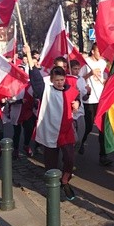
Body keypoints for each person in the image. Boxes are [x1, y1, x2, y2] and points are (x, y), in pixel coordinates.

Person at [35, 66, 81, 201]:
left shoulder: (71, 90)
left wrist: (77, 103)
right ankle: (52, 188)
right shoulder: (46, 90)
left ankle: (65, 180)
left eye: (61, 79)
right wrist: (30, 60)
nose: (59, 82)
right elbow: (36, 81)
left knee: (69, 159)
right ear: (51, 80)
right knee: (50, 162)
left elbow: (78, 98)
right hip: (50, 130)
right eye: (56, 80)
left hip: (66, 130)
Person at [78, 43, 113, 166]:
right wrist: (90, 74)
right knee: (88, 126)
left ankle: (103, 156)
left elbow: (108, 77)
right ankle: (81, 142)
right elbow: (79, 79)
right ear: (93, 51)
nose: (100, 54)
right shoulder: (86, 63)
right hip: (89, 100)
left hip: (101, 99)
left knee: (102, 128)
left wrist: (106, 81)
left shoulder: (103, 63)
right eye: (98, 51)